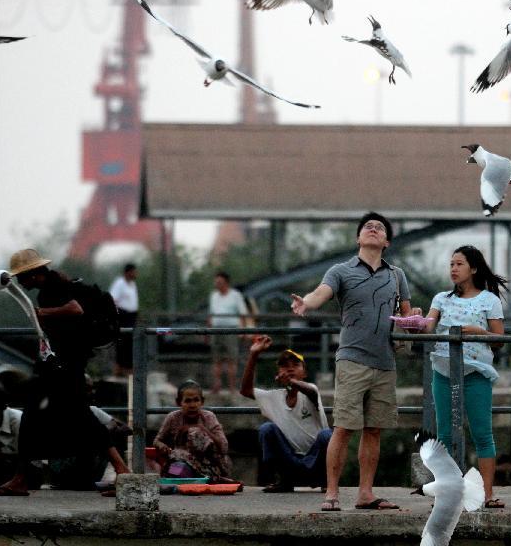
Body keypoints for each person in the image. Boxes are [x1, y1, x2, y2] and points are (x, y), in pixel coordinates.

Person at [291, 212, 417, 512]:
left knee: (374, 429)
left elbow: (408, 315)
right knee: (344, 428)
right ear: (358, 238)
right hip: (352, 359)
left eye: (380, 228)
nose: (373, 229)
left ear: (386, 242)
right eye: (368, 227)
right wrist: (306, 302)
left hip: (386, 362)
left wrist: (415, 322)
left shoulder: (396, 275)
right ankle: (332, 493)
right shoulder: (341, 270)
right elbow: (322, 292)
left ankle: (365, 493)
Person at [0, 249, 129, 496]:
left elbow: (75, 309)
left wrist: (42, 314)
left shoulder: (53, 288)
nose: (21, 283)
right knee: (69, 415)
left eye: (22, 277)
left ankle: (22, 477)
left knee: (46, 414)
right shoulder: (56, 284)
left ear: (34, 274)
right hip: (64, 364)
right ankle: (122, 471)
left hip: (65, 365)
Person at [423, 245, 506, 508]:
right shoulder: (440, 298)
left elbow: (499, 341)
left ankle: (488, 493)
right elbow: (428, 328)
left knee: (482, 433)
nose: (453, 269)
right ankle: (447, 493)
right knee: (444, 433)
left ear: (473, 268)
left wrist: (475, 331)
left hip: (475, 372)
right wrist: (414, 319)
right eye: (451, 264)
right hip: (444, 370)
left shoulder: (489, 300)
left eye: (459, 264)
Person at [240, 334, 332, 492]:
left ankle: (326, 480)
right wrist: (254, 354)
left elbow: (311, 391)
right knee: (266, 429)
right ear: (278, 372)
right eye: (284, 365)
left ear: (304, 373)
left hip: (316, 461)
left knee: (327, 435)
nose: (289, 368)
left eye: (295, 364)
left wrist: (291, 382)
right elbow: (245, 390)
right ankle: (282, 480)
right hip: (290, 461)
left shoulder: (310, 390)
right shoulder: (275, 397)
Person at [154, 380, 234, 483]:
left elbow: (224, 447)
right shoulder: (173, 418)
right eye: (187, 401)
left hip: (209, 465)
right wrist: (163, 447)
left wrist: (202, 430)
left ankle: (212, 479)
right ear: (179, 402)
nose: (192, 405)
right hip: (181, 462)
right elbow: (157, 441)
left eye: (196, 400)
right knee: (175, 470)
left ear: (202, 401)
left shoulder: (209, 417)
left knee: (195, 432)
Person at [208, 271, 248, 394]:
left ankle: (232, 387)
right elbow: (211, 314)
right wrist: (208, 330)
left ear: (226, 283)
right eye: (216, 282)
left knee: (232, 359)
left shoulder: (235, 295)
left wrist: (243, 330)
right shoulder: (214, 296)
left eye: (219, 282)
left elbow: (243, 314)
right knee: (216, 359)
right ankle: (217, 385)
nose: (217, 284)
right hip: (216, 330)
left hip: (231, 329)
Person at [108, 263, 138, 376]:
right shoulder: (119, 283)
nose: (136, 274)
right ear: (128, 272)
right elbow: (113, 299)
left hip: (131, 316)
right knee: (122, 343)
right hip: (123, 315)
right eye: (134, 271)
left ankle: (128, 368)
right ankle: (120, 368)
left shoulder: (132, 284)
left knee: (130, 343)